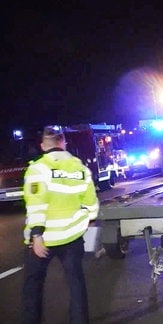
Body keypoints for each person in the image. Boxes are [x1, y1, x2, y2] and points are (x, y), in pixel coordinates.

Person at [21, 125, 100, 324]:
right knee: (76, 283)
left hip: (44, 239)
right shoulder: (80, 168)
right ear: (63, 143)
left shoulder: (38, 168)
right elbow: (91, 202)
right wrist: (89, 221)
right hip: (72, 237)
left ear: (42, 146)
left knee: (33, 285)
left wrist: (36, 235)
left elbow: (36, 205)